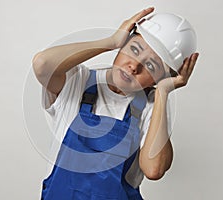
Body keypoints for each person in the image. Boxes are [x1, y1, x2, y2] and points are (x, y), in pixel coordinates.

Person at [32, 6, 199, 200]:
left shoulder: (150, 107)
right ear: (123, 44)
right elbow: (42, 64)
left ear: (159, 79)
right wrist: (110, 41)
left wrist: (162, 92)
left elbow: (154, 169)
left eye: (151, 66)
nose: (134, 66)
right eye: (134, 49)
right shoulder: (78, 81)